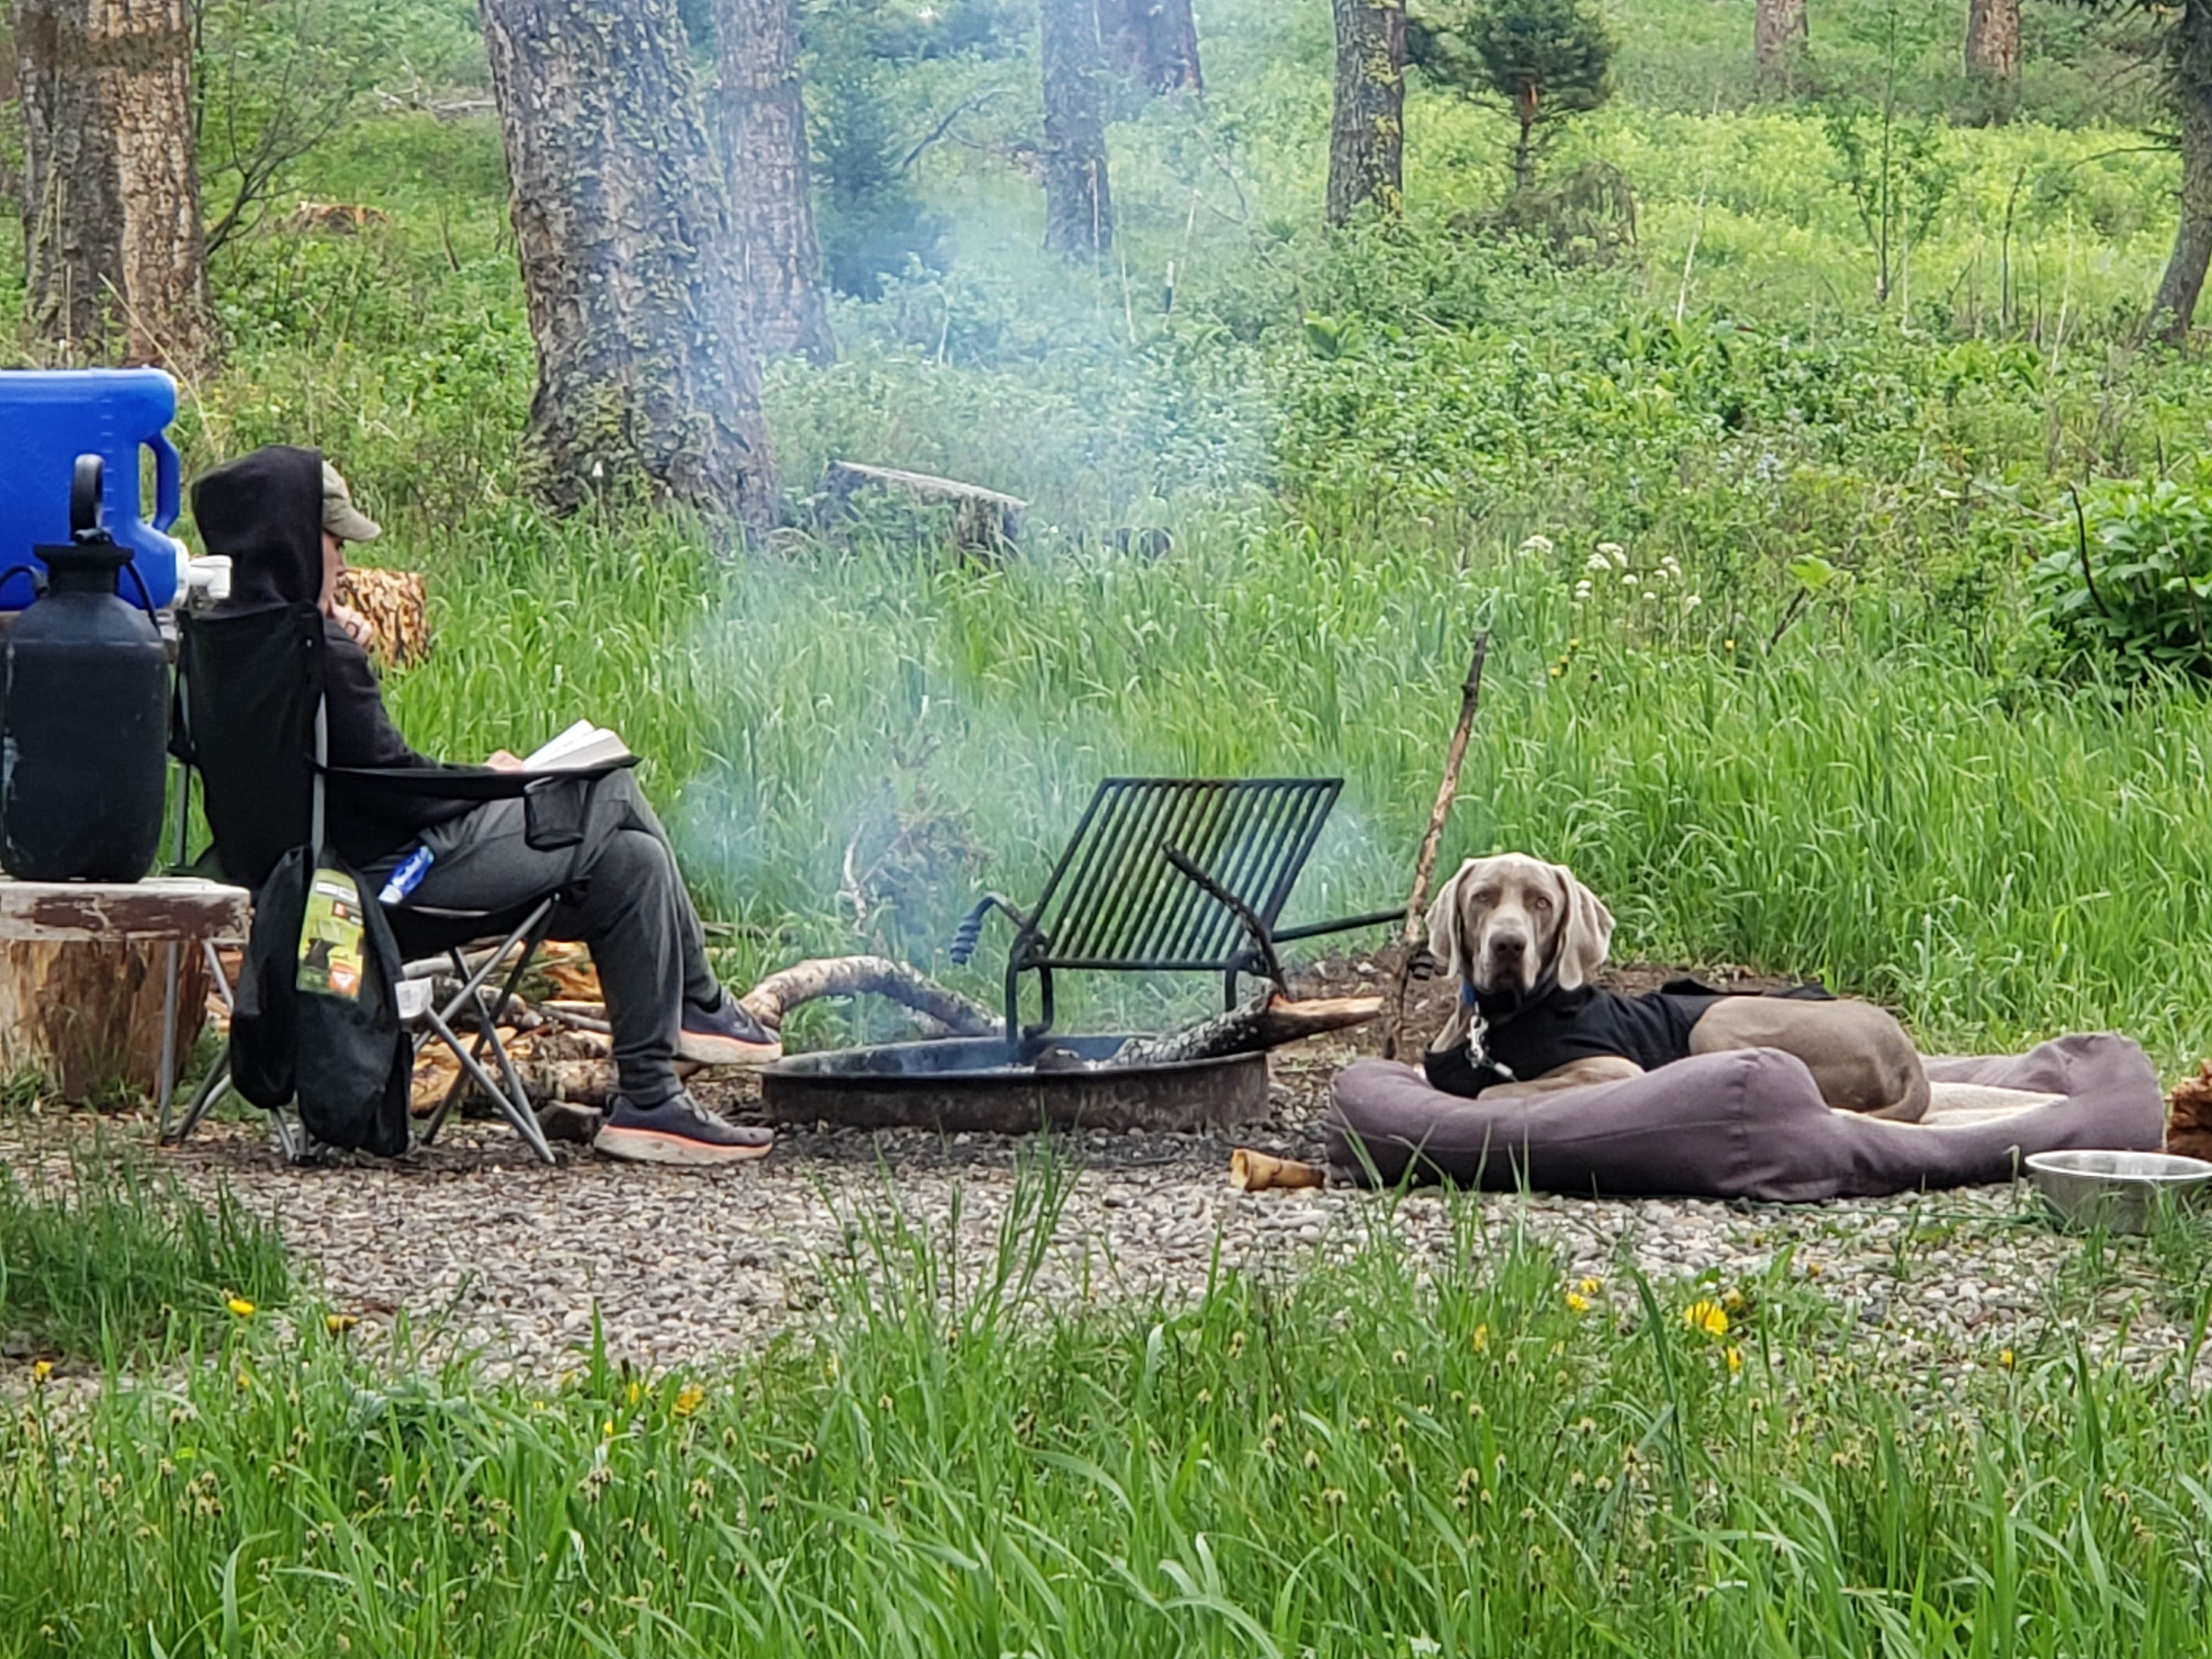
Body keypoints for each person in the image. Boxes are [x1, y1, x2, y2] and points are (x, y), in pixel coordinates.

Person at [189, 444, 780, 1167]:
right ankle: (698, 1000)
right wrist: (497, 778)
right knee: (608, 784)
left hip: (294, 890)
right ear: (288, 538)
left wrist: (332, 644)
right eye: (334, 540)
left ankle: (650, 1104)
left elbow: (328, 772)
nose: (344, 559)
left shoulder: (225, 643)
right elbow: (391, 782)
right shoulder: (320, 655)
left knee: (631, 863)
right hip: (377, 894)